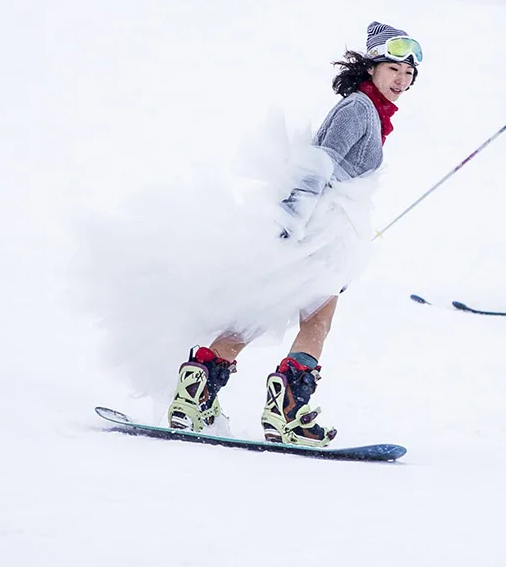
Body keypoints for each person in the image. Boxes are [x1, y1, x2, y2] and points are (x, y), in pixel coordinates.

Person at [166, 22, 421, 448]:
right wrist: (292, 222)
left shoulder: (367, 111)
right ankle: (287, 414)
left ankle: (195, 393)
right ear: (372, 67)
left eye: (408, 74)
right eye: (393, 68)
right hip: (319, 228)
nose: (401, 80)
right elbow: (318, 163)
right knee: (317, 319)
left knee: (265, 306)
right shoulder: (358, 109)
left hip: (323, 226)